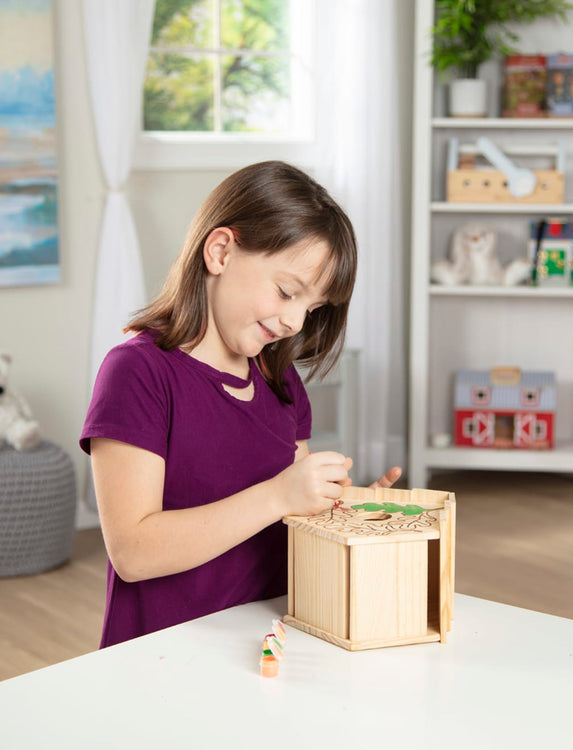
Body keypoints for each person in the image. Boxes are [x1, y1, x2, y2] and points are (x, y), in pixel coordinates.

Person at [80, 161, 401, 648]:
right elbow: (133, 551)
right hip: (164, 656)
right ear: (221, 251)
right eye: (287, 291)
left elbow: (294, 520)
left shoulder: (281, 382)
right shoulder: (139, 373)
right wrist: (279, 494)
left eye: (312, 308)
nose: (295, 320)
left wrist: (345, 513)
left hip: (271, 642)